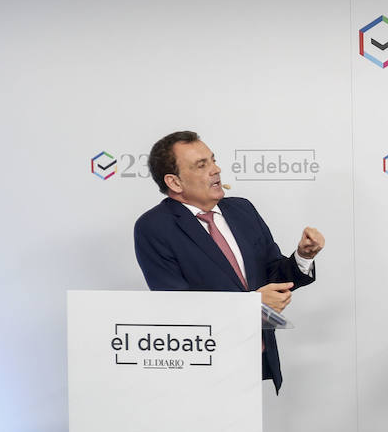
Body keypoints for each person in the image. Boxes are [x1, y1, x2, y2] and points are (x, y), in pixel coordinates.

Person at [133, 130, 324, 393]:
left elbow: (272, 275)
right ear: (174, 182)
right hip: (203, 364)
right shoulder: (154, 227)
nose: (216, 169)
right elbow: (176, 307)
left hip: (255, 355)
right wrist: (250, 305)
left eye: (213, 160)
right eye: (202, 165)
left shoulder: (242, 209)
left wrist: (303, 255)